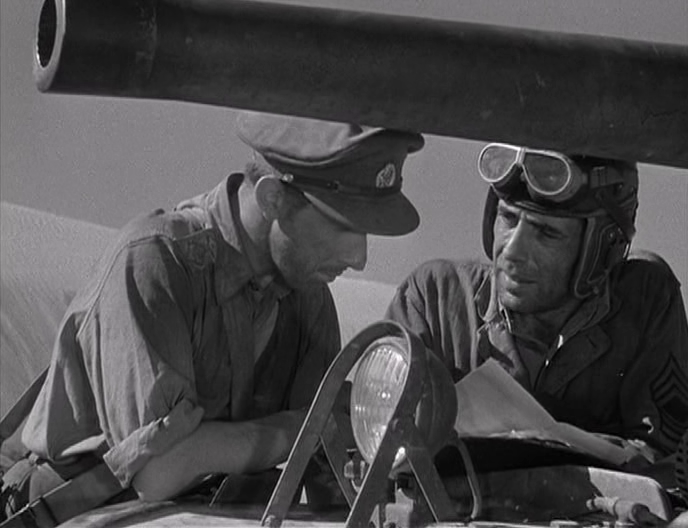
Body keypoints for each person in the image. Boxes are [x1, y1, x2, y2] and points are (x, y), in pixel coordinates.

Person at [1, 112, 425, 520]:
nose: (359, 257)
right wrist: (306, 429)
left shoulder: (309, 299)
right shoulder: (156, 263)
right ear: (273, 199)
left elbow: (324, 464)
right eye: (344, 226)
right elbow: (159, 471)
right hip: (69, 514)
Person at [385, 142, 688, 471]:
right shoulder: (434, 298)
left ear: (602, 247)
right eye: (508, 218)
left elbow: (664, 462)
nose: (512, 252)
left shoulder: (644, 301)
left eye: (546, 233)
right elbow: (383, 440)